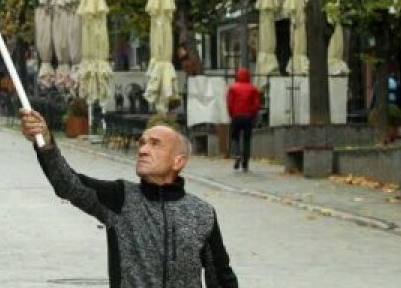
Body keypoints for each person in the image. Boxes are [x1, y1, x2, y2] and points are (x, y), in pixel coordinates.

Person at [20, 112, 238, 287]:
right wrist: (45, 142)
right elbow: (68, 184)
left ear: (178, 161)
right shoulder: (120, 198)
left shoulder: (202, 213)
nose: (143, 149)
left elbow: (221, 277)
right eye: (142, 143)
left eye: (155, 144)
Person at [226, 68, 260, 172]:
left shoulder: (232, 88)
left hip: (236, 116)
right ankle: (245, 162)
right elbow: (256, 104)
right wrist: (253, 114)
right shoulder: (253, 89)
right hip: (248, 117)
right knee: (246, 139)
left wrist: (231, 114)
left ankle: (237, 154)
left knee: (235, 137)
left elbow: (229, 103)